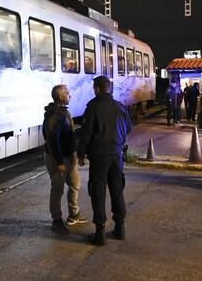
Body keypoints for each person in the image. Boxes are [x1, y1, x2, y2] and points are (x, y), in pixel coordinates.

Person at [78, 75, 133, 245]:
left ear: (97, 88)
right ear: (109, 88)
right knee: (117, 190)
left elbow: (86, 134)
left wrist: (81, 153)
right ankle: (120, 228)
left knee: (98, 191)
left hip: (99, 156)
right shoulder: (120, 107)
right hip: (117, 155)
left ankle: (100, 232)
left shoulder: (93, 107)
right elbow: (129, 127)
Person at [42, 84, 87, 235]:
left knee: (75, 183)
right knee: (57, 189)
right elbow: (53, 140)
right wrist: (60, 162)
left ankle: (73, 215)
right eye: (68, 93)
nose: (70, 95)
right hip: (58, 159)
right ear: (61, 97)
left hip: (69, 156)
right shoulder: (55, 115)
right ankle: (57, 221)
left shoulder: (62, 112)